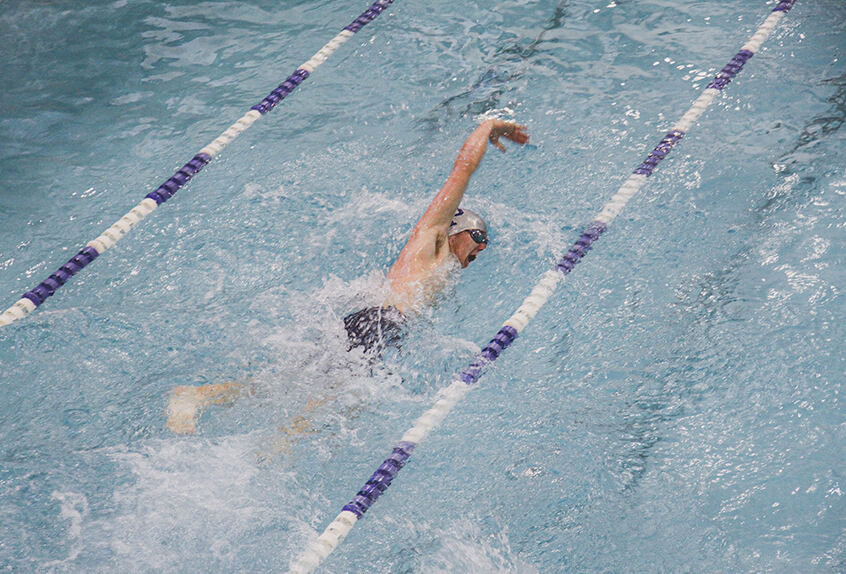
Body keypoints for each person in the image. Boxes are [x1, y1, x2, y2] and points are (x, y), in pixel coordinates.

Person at [165, 119, 529, 434]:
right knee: (333, 401)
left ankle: (199, 396)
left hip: (382, 326)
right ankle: (274, 450)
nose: (481, 249)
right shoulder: (431, 239)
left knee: (297, 386)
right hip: (378, 322)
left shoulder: (444, 266)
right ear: (456, 228)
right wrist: (488, 127)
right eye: (479, 237)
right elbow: (461, 171)